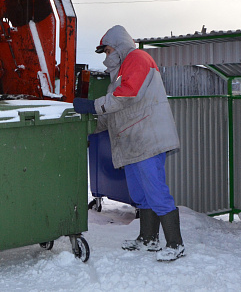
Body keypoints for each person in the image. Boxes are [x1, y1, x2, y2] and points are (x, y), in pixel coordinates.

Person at [72, 25, 185, 261]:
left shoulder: (138, 58)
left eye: (108, 51)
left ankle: (175, 244)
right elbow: (114, 114)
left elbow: (126, 95)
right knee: (139, 193)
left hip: (148, 140)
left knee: (156, 191)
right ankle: (148, 239)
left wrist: (92, 106)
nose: (106, 57)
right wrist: (87, 129)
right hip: (134, 144)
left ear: (120, 46)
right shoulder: (120, 73)